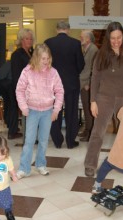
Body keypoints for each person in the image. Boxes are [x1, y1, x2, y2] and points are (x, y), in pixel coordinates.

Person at [84, 21, 123, 177]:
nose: (116, 41)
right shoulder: (101, 54)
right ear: (108, 38)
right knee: (98, 132)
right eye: (113, 38)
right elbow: (94, 78)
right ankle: (90, 164)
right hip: (105, 98)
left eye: (119, 37)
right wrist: (93, 101)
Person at [15, 43, 64, 179]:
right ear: (36, 58)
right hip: (31, 111)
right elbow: (19, 90)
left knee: (43, 140)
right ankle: (24, 168)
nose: (46, 61)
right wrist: (23, 107)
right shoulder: (27, 71)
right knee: (29, 140)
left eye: (48, 58)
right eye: (43, 58)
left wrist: (56, 110)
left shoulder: (53, 72)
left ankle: (41, 164)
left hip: (48, 111)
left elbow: (60, 91)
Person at [45, 20, 85, 149]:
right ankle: (70, 141)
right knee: (72, 112)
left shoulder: (48, 43)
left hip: (52, 84)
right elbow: (81, 64)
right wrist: (73, 72)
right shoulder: (75, 43)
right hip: (71, 83)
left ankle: (57, 140)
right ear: (68, 30)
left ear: (57, 29)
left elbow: (44, 64)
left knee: (55, 111)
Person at [10, 28, 34, 140]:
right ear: (21, 40)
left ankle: (31, 136)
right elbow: (16, 75)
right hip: (23, 89)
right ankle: (27, 138)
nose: (29, 41)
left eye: (31, 38)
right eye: (26, 39)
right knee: (26, 114)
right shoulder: (17, 54)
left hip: (32, 89)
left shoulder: (31, 53)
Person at [79, 30, 98, 142]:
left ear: (89, 39)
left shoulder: (93, 50)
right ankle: (87, 130)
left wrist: (89, 83)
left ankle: (90, 133)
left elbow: (95, 69)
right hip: (83, 83)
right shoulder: (86, 49)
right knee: (86, 109)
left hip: (88, 85)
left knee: (89, 110)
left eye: (82, 37)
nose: (80, 38)